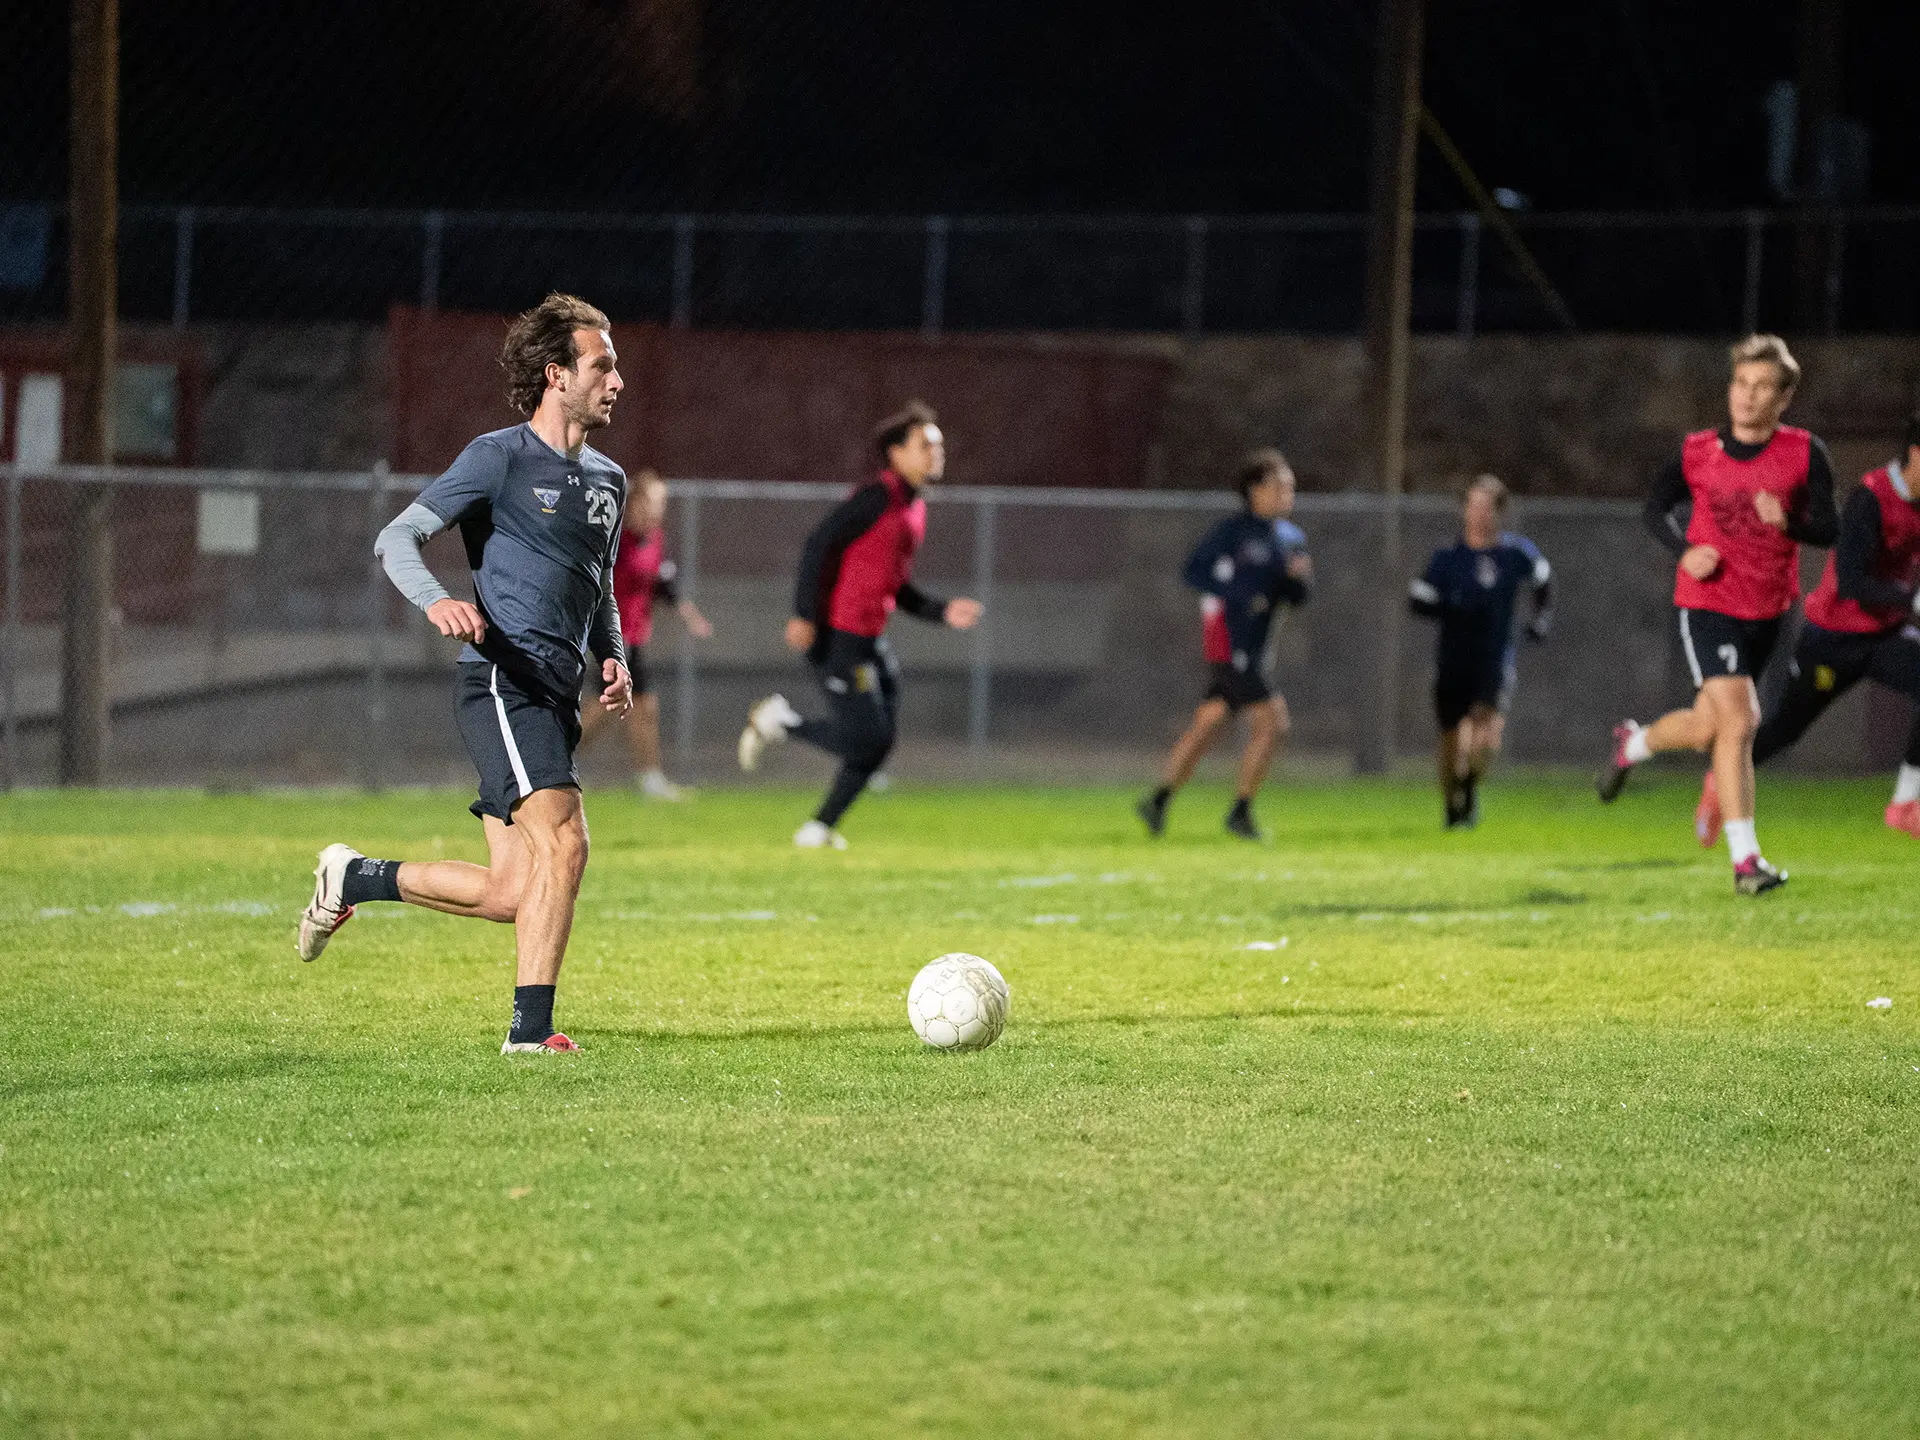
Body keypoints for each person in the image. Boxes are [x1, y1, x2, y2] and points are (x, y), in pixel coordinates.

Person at [296, 292, 633, 1055]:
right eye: (602, 366)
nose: (617, 381)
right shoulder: (498, 457)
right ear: (557, 374)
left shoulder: (609, 480)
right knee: (566, 843)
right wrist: (437, 600)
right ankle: (529, 1035)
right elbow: (397, 537)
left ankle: (354, 878)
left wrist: (613, 654)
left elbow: (600, 583)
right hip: (503, 683)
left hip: (555, 695)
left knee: (514, 890)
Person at [1596, 333, 1838, 895]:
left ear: (1783, 398)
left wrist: (1789, 523)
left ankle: (1633, 744)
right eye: (1740, 383)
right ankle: (1746, 862)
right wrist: (1685, 551)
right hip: (1708, 604)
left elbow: (1830, 528)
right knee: (1741, 722)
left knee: (1710, 727)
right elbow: (1654, 509)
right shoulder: (1698, 451)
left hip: (1769, 609)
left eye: (1762, 387)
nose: (1747, 395)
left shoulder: (1805, 453)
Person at [736, 401, 983, 848]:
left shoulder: (914, 507)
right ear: (896, 453)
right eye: (925, 445)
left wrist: (941, 611)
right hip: (839, 638)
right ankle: (780, 722)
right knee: (868, 739)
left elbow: (894, 584)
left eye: (939, 445)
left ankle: (819, 829)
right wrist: (804, 614)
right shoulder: (877, 498)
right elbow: (818, 544)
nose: (936, 453)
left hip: (871, 640)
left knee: (878, 742)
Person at [1693, 414, 1920, 842]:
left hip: (1885, 635)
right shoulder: (1871, 498)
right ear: (1916, 454)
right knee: (1785, 729)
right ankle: (1719, 781)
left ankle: (1906, 803)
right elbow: (1852, 583)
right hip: (1832, 638)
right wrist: (1912, 599)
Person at [1137, 448, 1312, 841]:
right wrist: (1238, 594)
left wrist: (1296, 580)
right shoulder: (1232, 533)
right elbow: (1194, 572)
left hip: (1258, 646)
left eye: (1290, 488)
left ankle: (1158, 801)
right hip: (1229, 639)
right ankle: (1240, 811)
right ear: (1255, 489)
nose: (1288, 494)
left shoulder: (1291, 538)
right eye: (1280, 486)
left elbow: (1298, 597)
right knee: (1273, 721)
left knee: (1209, 722)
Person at [1408, 474, 1552, 828]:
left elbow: (1543, 580)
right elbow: (1419, 599)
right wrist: (1450, 607)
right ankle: (1451, 805)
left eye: (1487, 507)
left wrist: (1541, 620)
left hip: (1494, 656)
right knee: (1452, 738)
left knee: (1487, 730)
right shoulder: (1447, 557)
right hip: (1454, 658)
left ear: (1499, 512)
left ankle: (1470, 790)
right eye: (1473, 506)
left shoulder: (1515, 553)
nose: (1479, 514)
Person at [579, 469, 712, 799]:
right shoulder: (614, 539)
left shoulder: (655, 538)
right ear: (635, 502)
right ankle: (547, 760)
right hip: (612, 637)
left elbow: (661, 583)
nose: (658, 509)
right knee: (612, 707)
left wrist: (689, 615)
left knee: (636, 707)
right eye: (653, 501)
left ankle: (649, 778)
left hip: (634, 638)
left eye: (662, 503)